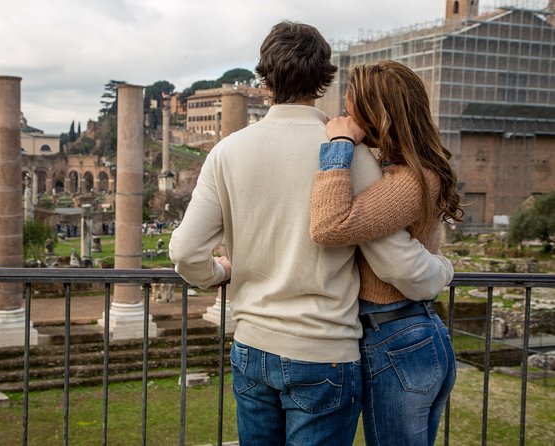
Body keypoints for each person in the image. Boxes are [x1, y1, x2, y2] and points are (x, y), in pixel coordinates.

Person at [169, 22, 454, 446]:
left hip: (252, 345)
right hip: (324, 352)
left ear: (264, 79)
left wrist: (218, 272)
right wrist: (444, 270)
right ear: (325, 80)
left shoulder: (227, 151)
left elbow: (186, 250)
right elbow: (391, 257)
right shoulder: (351, 154)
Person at [309, 60, 464, 446]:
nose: (344, 115)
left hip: (397, 337)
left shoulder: (410, 179)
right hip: (406, 336)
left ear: (377, 114)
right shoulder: (406, 170)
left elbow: (328, 225)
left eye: (351, 108)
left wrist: (339, 147)